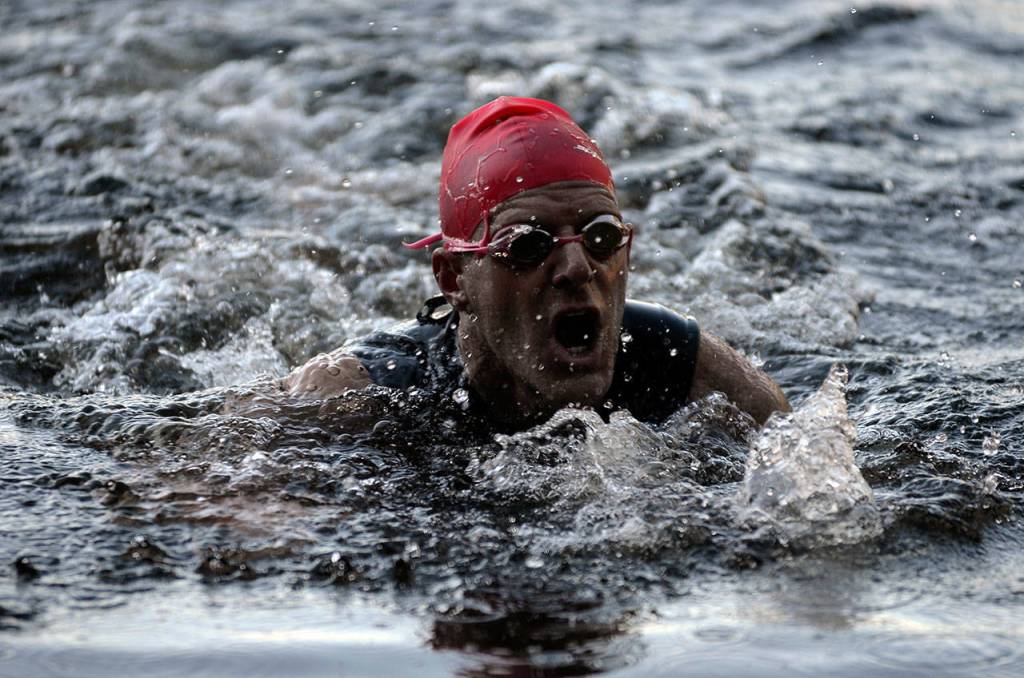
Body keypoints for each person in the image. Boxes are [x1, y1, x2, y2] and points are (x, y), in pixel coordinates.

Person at [280, 97, 789, 429]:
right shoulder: (370, 393)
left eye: (601, 237)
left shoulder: (678, 364)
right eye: (527, 245)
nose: (577, 267)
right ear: (455, 279)